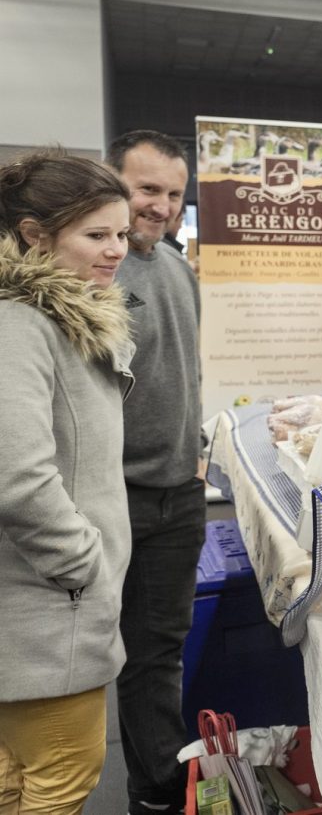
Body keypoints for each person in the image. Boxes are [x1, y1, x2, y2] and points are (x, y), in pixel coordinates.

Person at [0, 152, 134, 815]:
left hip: (42, 608)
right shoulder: (22, 326)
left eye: (121, 234)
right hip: (46, 617)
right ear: (34, 234)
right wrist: (84, 564)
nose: (117, 251)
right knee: (60, 776)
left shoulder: (55, 319)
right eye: (97, 235)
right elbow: (18, 475)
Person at [106, 130, 205, 815]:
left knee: (161, 649)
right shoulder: (95, 272)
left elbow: (183, 371)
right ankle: (158, 791)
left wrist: (195, 448)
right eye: (147, 190)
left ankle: (158, 784)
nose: (160, 206)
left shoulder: (176, 267)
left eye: (173, 194)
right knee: (135, 657)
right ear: (114, 186)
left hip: (182, 494)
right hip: (118, 498)